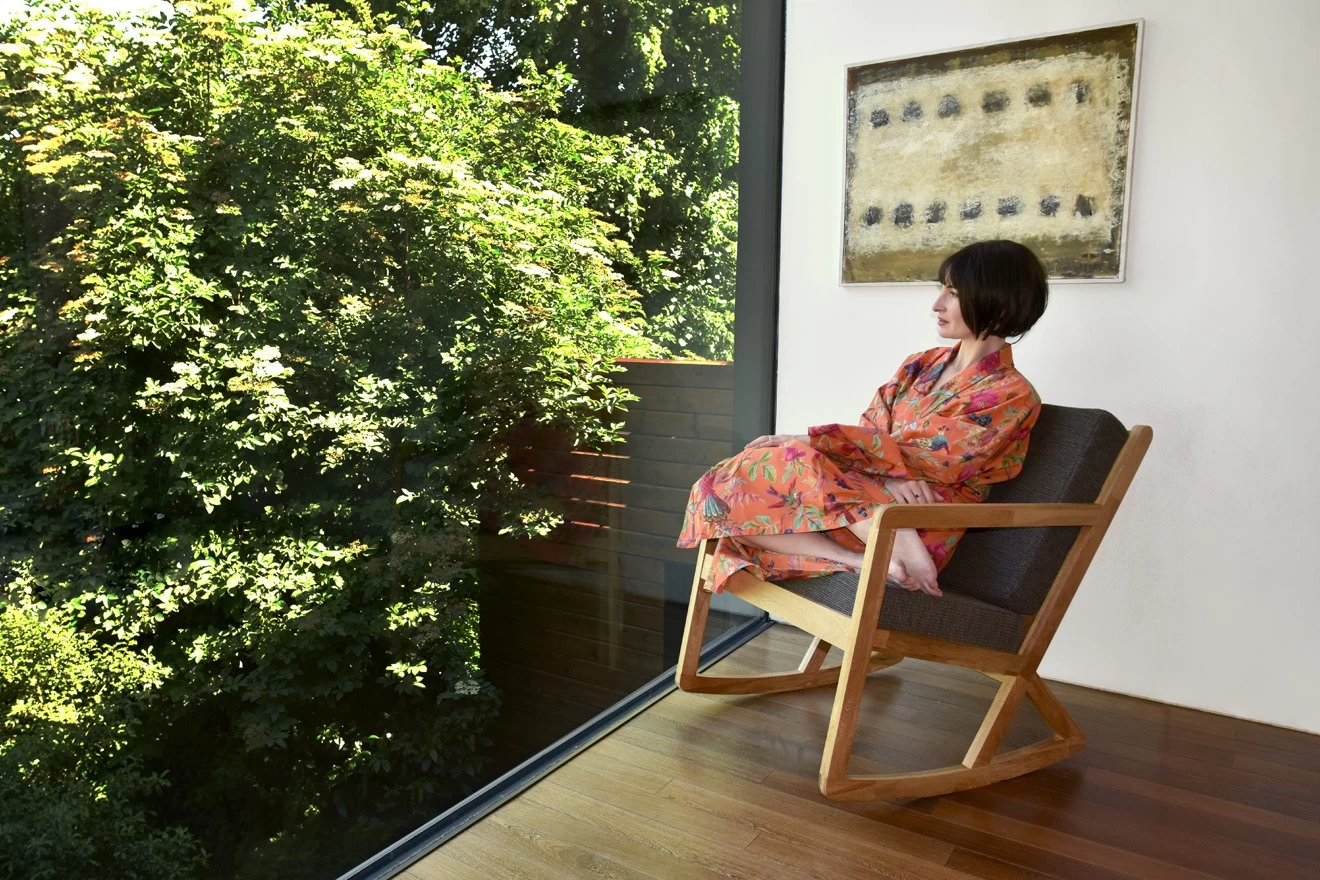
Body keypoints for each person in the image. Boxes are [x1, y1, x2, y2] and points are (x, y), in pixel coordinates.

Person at [676, 239, 1048, 597]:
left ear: (998, 302)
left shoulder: (1011, 393)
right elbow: (872, 426)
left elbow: (937, 461)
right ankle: (855, 559)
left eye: (953, 293)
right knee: (720, 492)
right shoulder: (920, 364)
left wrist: (813, 443)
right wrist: (886, 475)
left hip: (917, 515)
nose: (937, 304)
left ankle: (888, 542)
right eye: (942, 290)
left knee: (787, 458)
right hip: (863, 505)